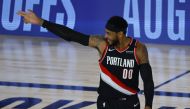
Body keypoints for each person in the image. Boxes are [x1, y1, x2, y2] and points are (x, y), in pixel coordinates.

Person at [18, 10, 154, 109]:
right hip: (106, 102)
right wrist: (41, 22)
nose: (106, 36)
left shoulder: (138, 49)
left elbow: (148, 80)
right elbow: (71, 35)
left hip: (130, 103)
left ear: (120, 34)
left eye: (109, 33)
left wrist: (148, 105)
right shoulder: (102, 44)